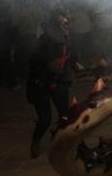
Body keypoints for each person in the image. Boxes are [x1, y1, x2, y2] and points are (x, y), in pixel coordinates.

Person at [26, 13, 79, 159]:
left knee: (64, 115)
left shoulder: (67, 40)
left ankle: (61, 140)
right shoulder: (44, 44)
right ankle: (36, 141)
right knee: (45, 119)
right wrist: (55, 66)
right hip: (40, 85)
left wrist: (75, 67)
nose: (67, 25)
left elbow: (71, 59)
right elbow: (48, 65)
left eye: (68, 22)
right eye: (64, 23)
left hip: (58, 82)